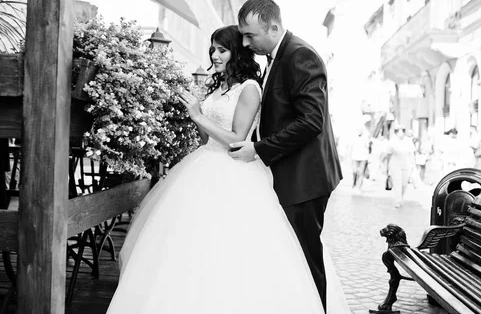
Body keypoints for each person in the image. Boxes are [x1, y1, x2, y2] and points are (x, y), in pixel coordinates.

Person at [106, 25, 349, 313]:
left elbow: (236, 139)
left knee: (229, 247)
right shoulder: (218, 87)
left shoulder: (249, 88)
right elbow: (208, 139)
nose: (214, 54)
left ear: (237, 53)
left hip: (235, 170)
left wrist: (198, 114)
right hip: (203, 166)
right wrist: (196, 115)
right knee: (187, 245)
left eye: (222, 49)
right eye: (212, 49)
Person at [228, 0, 343, 310]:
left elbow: (311, 121)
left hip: (305, 178)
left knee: (305, 259)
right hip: (291, 173)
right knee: (291, 256)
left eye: (250, 35)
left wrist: (260, 149)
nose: (245, 42)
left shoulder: (300, 55)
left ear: (274, 26)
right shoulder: (278, 56)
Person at [384, 126, 416, 208]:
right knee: (397, 182)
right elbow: (388, 154)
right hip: (395, 164)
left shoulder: (408, 141)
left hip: (406, 164)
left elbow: (412, 154)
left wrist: (413, 165)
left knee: (404, 183)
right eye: (399, 132)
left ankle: (401, 196)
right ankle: (397, 200)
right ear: (396, 133)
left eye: (402, 132)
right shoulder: (392, 141)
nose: (401, 134)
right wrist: (387, 167)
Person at [350, 127, 371, 192]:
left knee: (361, 172)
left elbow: (368, 149)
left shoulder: (366, 138)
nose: (359, 131)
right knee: (354, 171)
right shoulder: (353, 138)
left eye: (361, 130)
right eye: (358, 130)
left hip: (363, 158)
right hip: (354, 157)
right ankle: (354, 182)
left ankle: (358, 187)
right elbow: (350, 148)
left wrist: (369, 158)